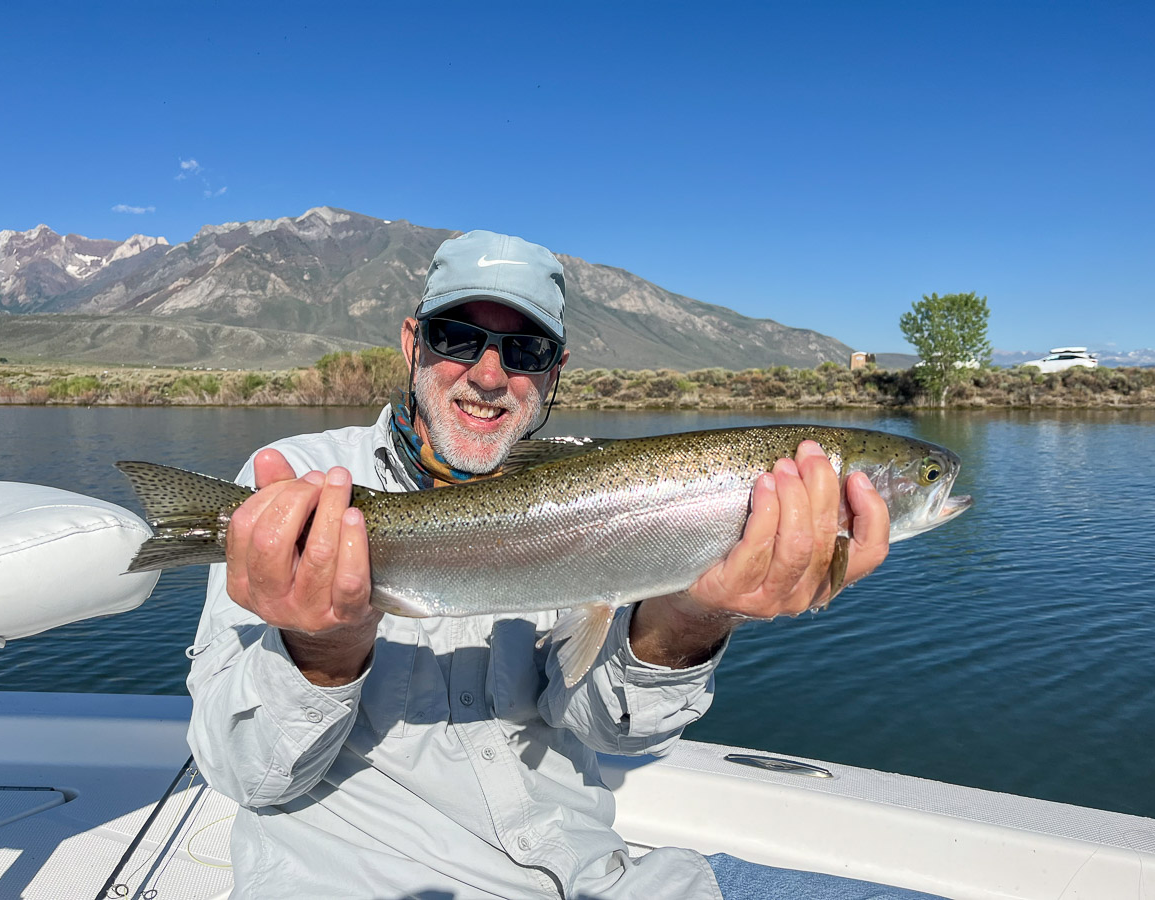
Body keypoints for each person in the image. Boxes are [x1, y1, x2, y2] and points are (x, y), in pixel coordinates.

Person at [187, 231, 944, 899]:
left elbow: (607, 732)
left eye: (525, 351)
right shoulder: (295, 491)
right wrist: (320, 651)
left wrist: (693, 615)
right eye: (459, 337)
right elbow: (249, 775)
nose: (490, 374)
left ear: (554, 372)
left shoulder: (594, 498)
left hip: (599, 877)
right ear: (413, 342)